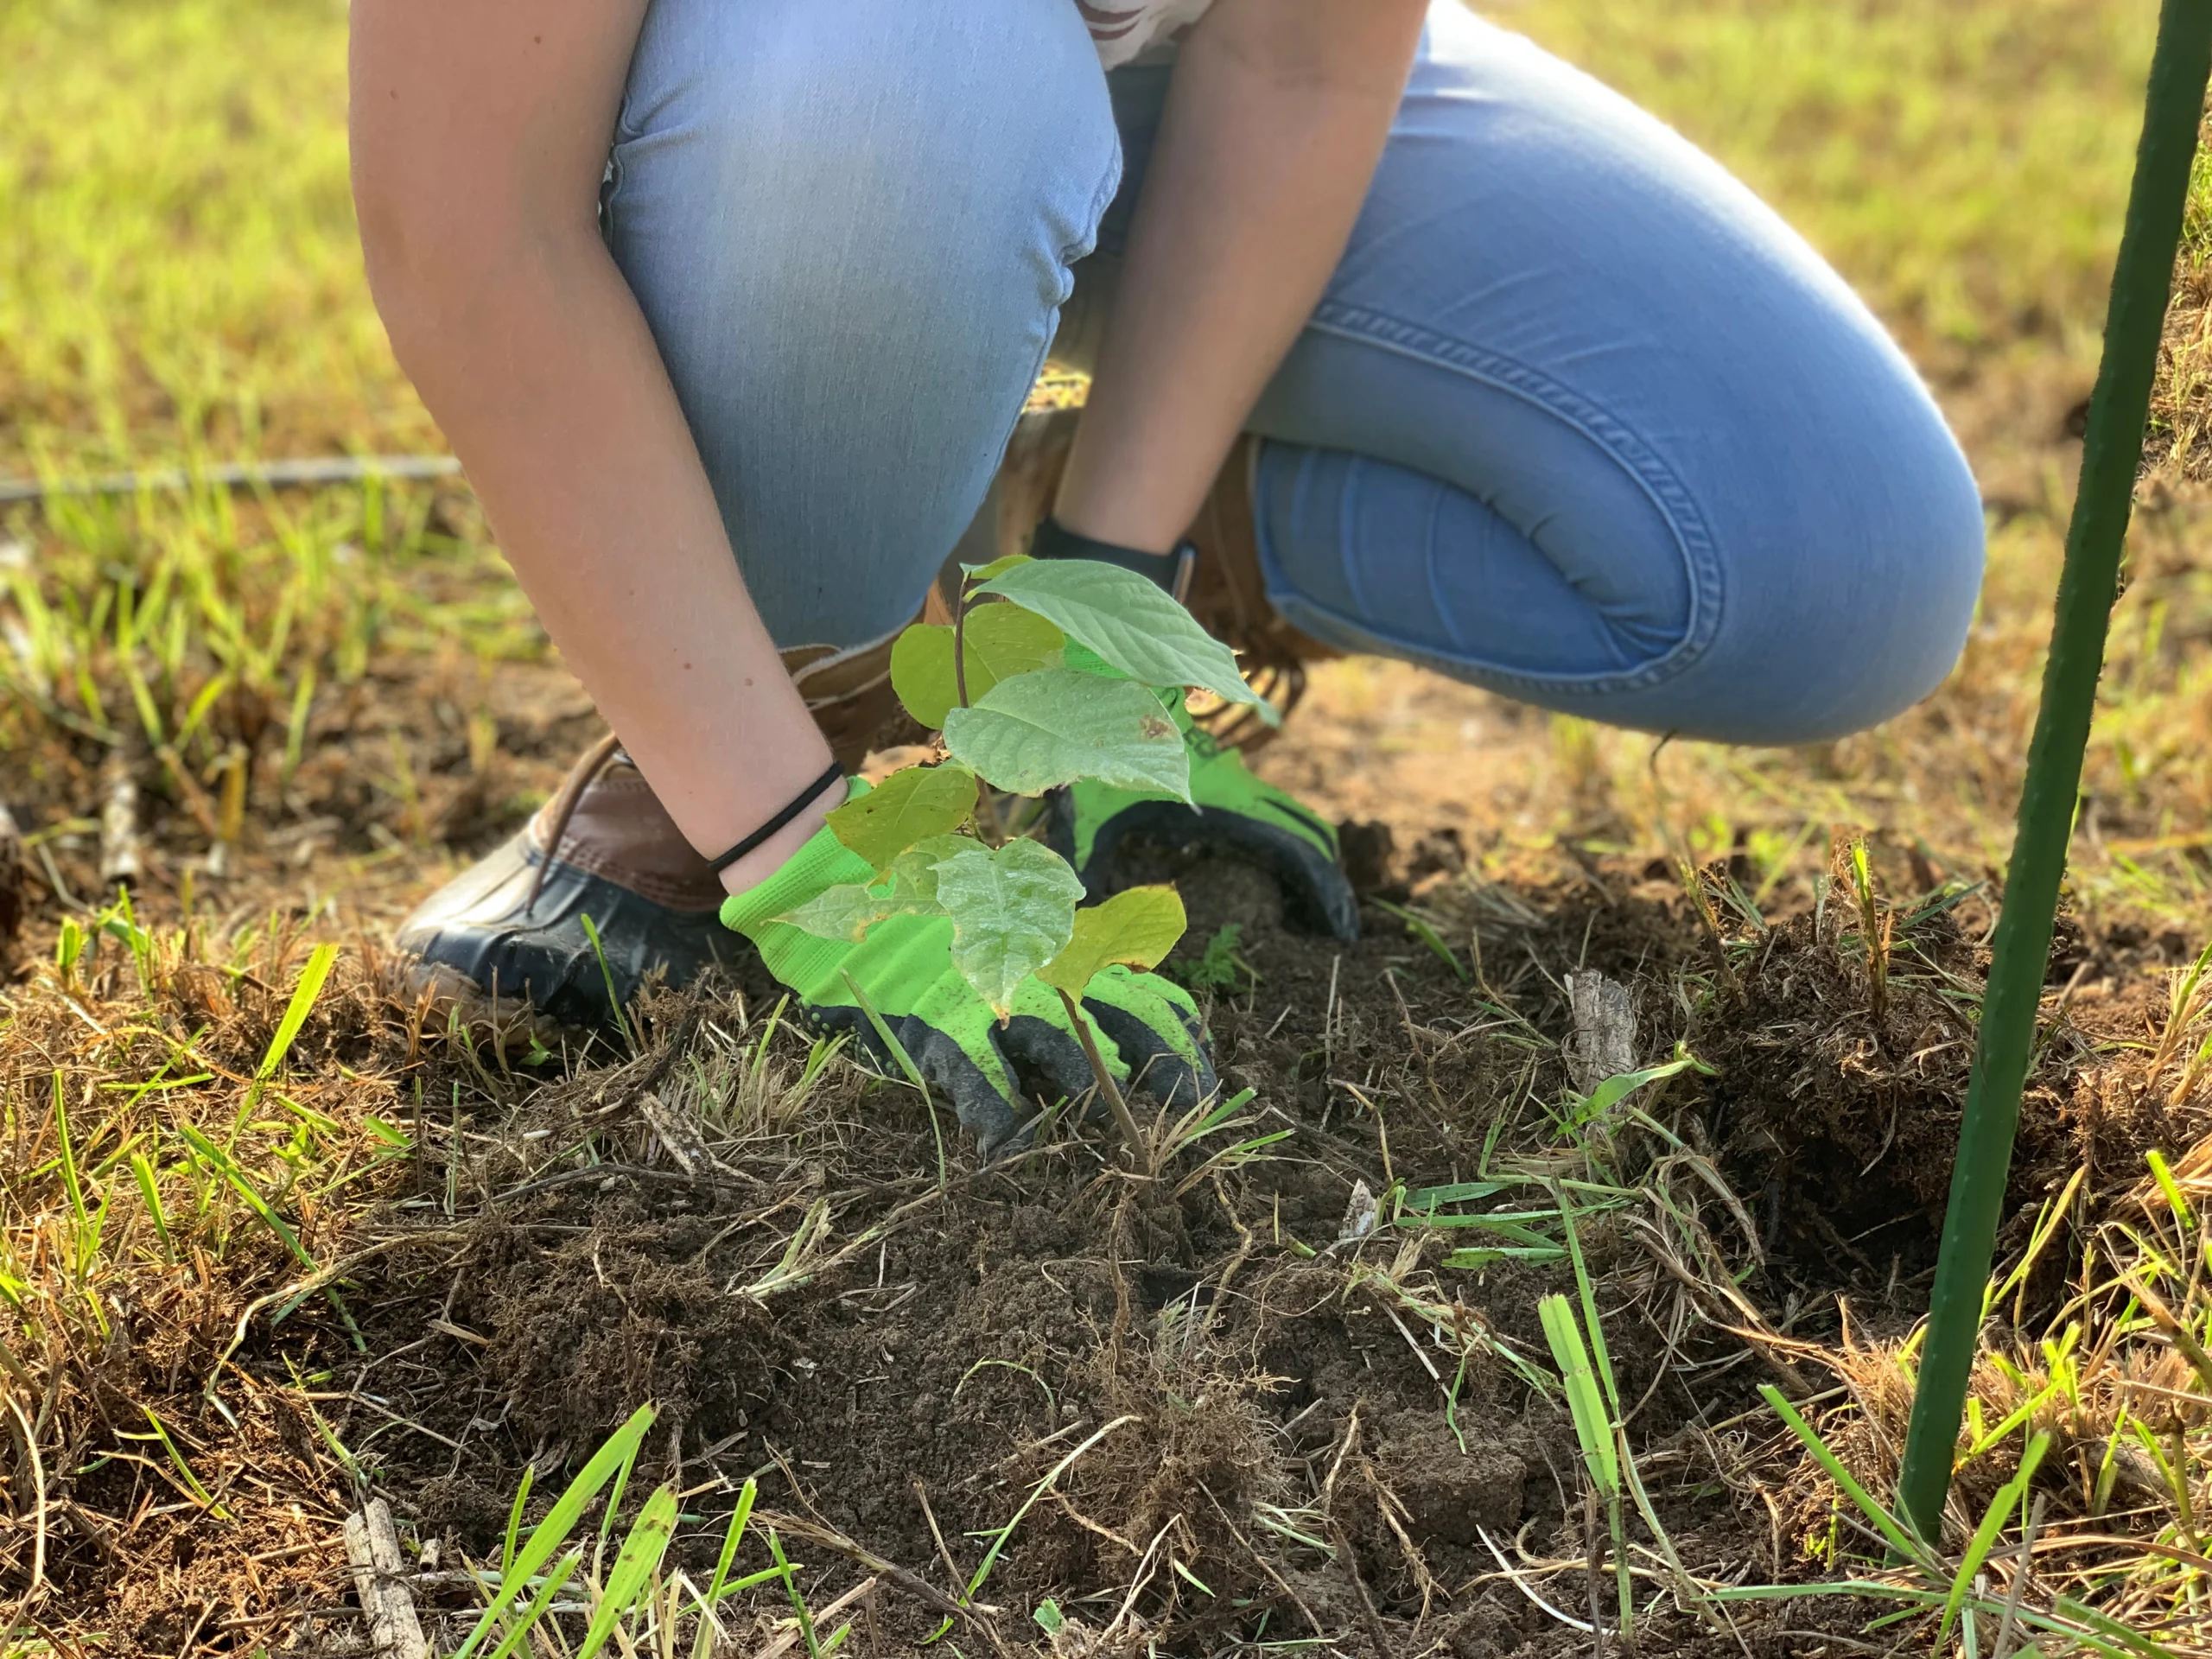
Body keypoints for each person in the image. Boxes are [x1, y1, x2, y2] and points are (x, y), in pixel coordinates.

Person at [353, 0, 1984, 1152]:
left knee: (1833, 555)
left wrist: (1111, 608)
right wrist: (804, 862)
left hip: (1183, 61)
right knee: (915, 80)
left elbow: (1303, 52)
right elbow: (470, 218)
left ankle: (1023, 552)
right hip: (795, 95)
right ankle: (790, 700)